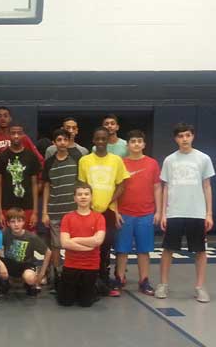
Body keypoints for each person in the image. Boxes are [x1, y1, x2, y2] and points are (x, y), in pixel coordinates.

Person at [155, 123, 215, 303]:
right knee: (168, 250)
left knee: (200, 251)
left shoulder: (203, 158)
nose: (184, 139)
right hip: (174, 212)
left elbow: (207, 186)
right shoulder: (169, 160)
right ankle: (163, 284)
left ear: (192, 136)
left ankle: (199, 286)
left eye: (187, 135)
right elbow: (165, 188)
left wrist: (209, 213)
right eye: (180, 136)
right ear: (176, 139)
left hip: (197, 212)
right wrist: (164, 213)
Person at [78, 127, 129, 293]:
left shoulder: (116, 160)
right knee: (89, 248)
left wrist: (110, 201)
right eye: (97, 139)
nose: (100, 142)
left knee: (106, 248)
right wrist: (87, 203)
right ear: (93, 141)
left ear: (108, 140)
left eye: (103, 139)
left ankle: (104, 282)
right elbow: (82, 185)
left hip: (109, 211)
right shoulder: (84, 161)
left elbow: (122, 184)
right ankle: (89, 282)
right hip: (89, 211)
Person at [112, 130, 161, 297]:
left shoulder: (152, 163)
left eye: (140, 141)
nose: (136, 144)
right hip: (125, 213)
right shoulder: (120, 163)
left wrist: (158, 211)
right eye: (133, 141)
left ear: (144, 144)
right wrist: (116, 211)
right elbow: (116, 188)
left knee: (143, 250)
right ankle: (119, 279)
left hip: (146, 213)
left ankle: (144, 281)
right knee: (122, 250)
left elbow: (157, 187)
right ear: (128, 145)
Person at [57, 182, 106, 307]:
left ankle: (95, 287)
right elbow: (65, 243)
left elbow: (98, 241)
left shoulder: (99, 217)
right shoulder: (67, 218)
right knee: (65, 302)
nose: (83, 197)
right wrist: (88, 247)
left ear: (91, 197)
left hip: (91, 266)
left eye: (86, 194)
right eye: (79, 194)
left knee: (85, 303)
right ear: (74, 198)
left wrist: (75, 240)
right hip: (71, 265)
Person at [41, 129, 79, 289]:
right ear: (54, 143)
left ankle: (73, 274)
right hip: (55, 210)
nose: (62, 142)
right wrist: (44, 212)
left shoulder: (77, 158)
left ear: (69, 141)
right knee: (56, 245)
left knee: (74, 244)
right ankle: (58, 275)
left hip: (74, 212)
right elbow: (47, 187)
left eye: (65, 139)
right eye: (59, 139)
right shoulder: (49, 162)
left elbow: (81, 183)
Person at [0, 123, 41, 230]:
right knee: (7, 241)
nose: (16, 136)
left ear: (23, 135)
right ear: (8, 135)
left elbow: (34, 184)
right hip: (7, 206)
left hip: (27, 206)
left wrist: (35, 212)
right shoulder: (1, 157)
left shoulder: (31, 156)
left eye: (19, 133)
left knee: (28, 241)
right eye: (13, 133)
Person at [0, 207, 52, 294]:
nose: (16, 224)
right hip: (9, 263)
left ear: (23, 222)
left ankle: (30, 282)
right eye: (13, 222)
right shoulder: (4, 233)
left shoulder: (31, 237)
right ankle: (4, 282)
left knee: (29, 278)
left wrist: (42, 273)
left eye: (19, 221)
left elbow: (48, 252)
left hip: (25, 264)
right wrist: (1, 265)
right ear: (8, 223)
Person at [0, 106, 43, 173]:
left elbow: (39, 160)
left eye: (5, 116)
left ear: (10, 119)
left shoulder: (22, 137)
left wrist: (39, 179)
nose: (2, 118)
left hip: (20, 178)